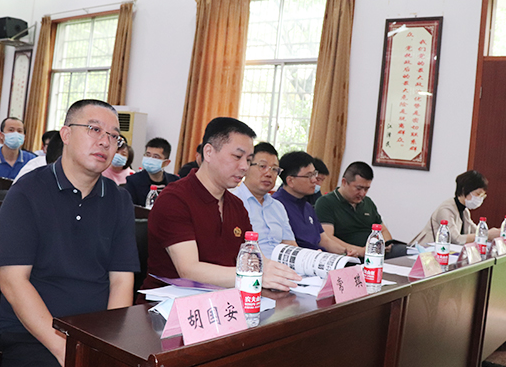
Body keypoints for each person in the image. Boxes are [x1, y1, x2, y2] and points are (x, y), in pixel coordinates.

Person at [0, 99, 139, 367]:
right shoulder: (27, 192)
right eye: (94, 129)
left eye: (114, 136)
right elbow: (13, 282)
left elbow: (121, 280)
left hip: (95, 334)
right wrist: (63, 348)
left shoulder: (119, 200)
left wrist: (110, 345)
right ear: (66, 134)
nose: (105, 141)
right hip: (32, 335)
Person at [145, 117, 300, 291]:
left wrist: (286, 274)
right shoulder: (174, 200)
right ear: (209, 152)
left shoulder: (236, 205)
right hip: (169, 302)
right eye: (237, 157)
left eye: (249, 160)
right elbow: (189, 270)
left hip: (223, 299)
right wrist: (254, 275)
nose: (244, 167)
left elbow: (255, 259)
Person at [272, 151, 357, 255]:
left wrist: (345, 251)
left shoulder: (307, 206)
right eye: (308, 176)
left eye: (314, 174)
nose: (314, 180)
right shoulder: (276, 205)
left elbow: (323, 240)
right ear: (290, 181)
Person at [315, 162, 395, 257]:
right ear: (344, 182)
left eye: (366, 189)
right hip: (350, 256)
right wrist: (361, 251)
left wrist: (384, 244)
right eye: (359, 188)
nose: (362, 193)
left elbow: (383, 230)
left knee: (405, 253)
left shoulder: (368, 202)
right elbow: (327, 238)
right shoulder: (325, 202)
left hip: (375, 254)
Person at [410, 170, 501, 246]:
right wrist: (487, 235)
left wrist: (495, 233)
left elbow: (475, 230)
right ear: (464, 190)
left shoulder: (464, 211)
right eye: (478, 194)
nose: (480, 198)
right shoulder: (446, 209)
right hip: (425, 251)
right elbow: (456, 239)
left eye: (482, 196)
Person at [125, 137, 179, 206]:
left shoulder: (175, 182)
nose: (150, 159)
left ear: (166, 163)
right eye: (148, 155)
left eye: (156, 157)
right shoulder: (133, 181)